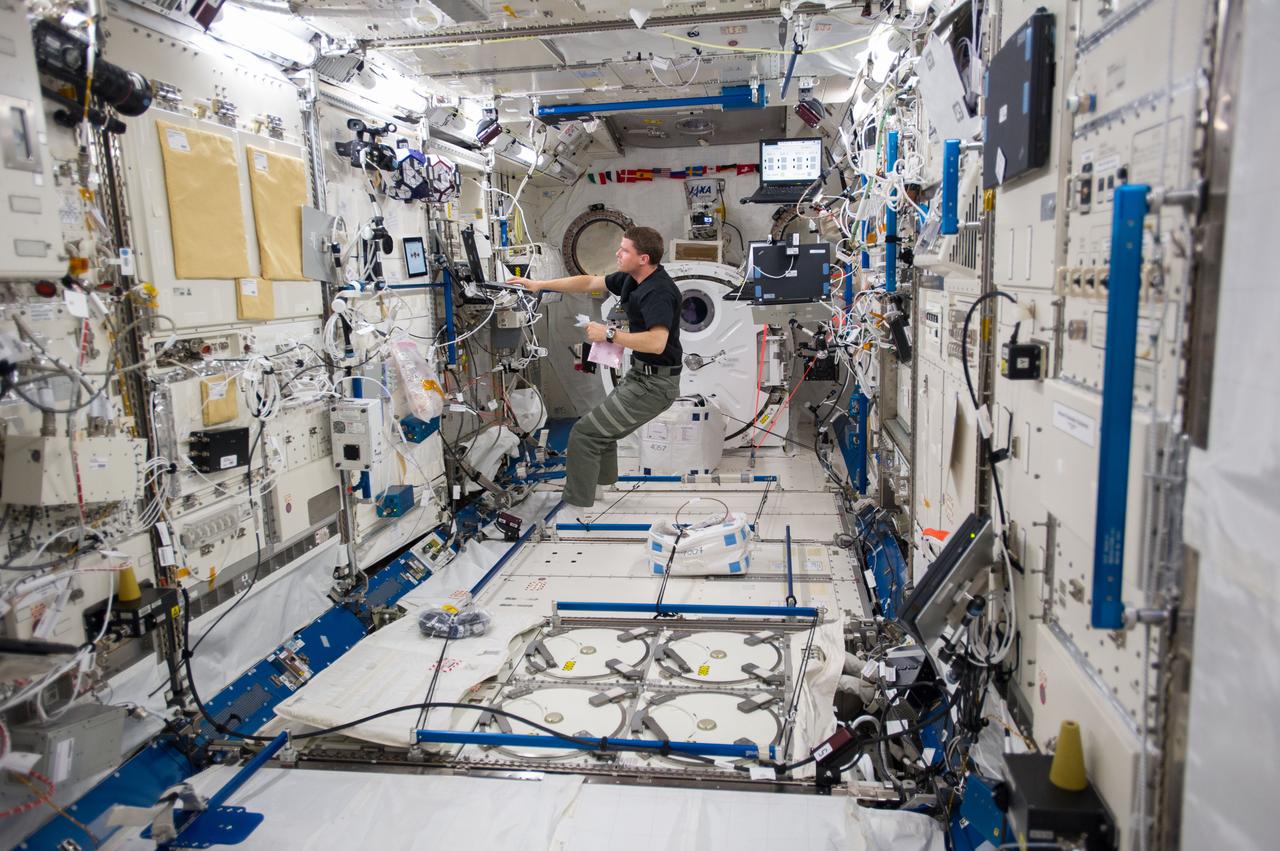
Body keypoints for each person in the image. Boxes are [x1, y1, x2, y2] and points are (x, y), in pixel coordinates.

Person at [508, 226, 683, 507]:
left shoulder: (657, 292)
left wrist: (609, 335)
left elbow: (657, 343)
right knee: (603, 430)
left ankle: (577, 506)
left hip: (655, 385)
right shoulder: (631, 279)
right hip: (641, 375)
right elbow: (589, 282)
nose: (618, 252)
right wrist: (539, 285)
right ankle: (602, 490)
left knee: (585, 434)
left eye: (624, 250)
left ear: (643, 258)